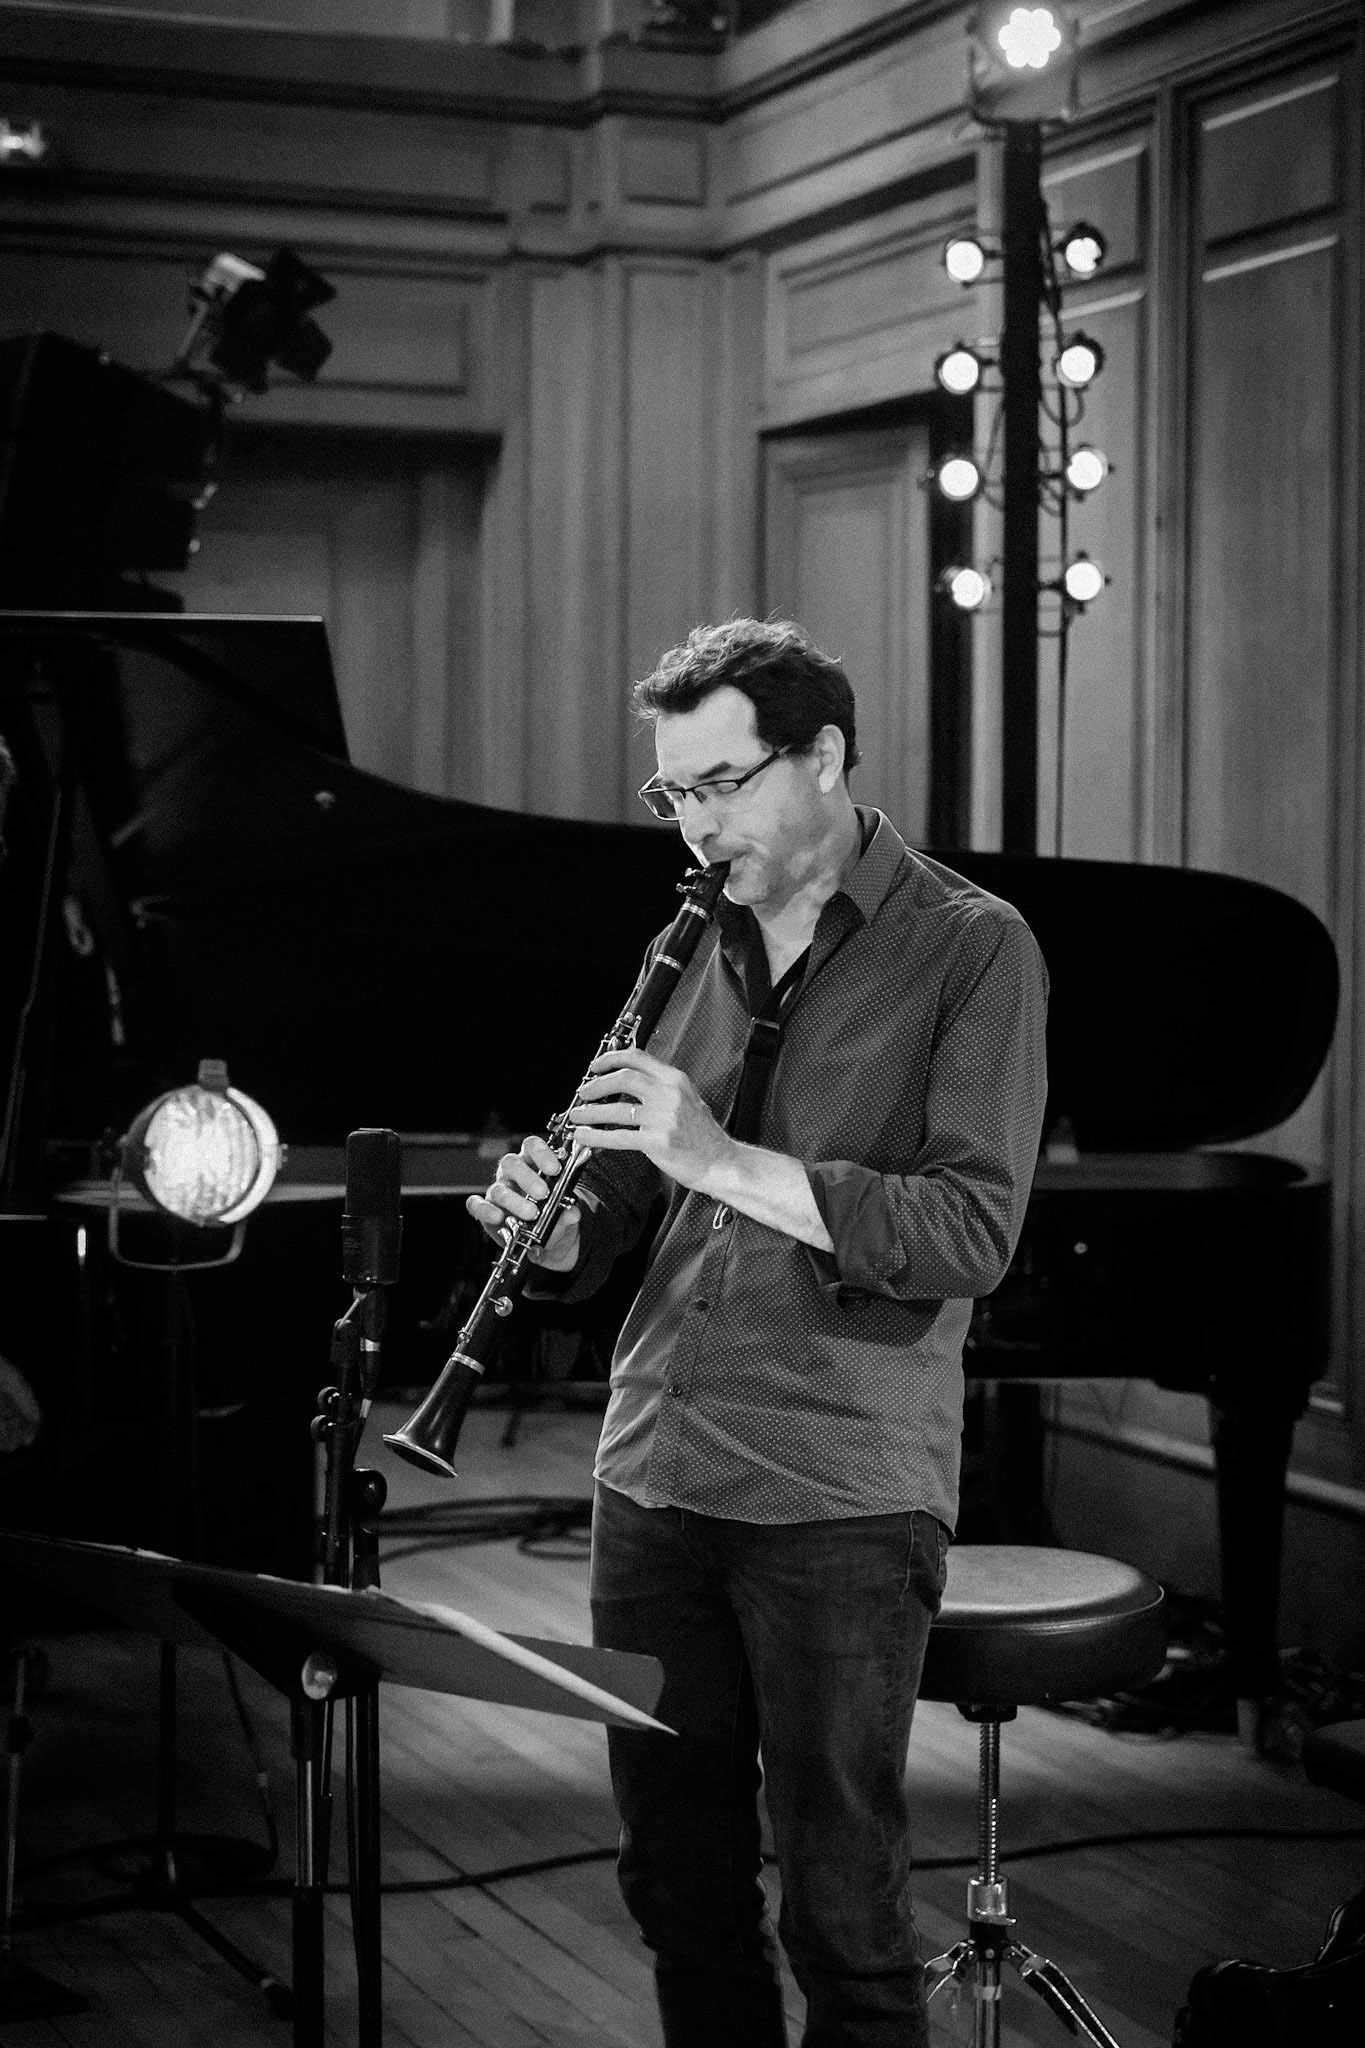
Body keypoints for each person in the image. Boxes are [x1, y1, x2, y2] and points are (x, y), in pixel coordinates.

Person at [467, 618, 1048, 2048]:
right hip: (651, 1470)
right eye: (675, 794)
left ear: (825, 758)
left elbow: (966, 1236)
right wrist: (549, 1223)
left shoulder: (970, 951)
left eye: (722, 784)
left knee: (842, 1912)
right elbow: (615, 1210)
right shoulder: (690, 938)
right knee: (674, 1881)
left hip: (834, 1489)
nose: (697, 822)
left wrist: (716, 1155)